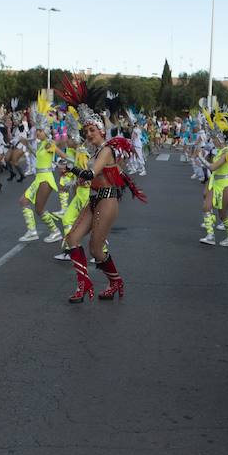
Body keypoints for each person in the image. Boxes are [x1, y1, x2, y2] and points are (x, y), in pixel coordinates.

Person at [58, 78, 144, 303]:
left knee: (96, 249)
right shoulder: (95, 153)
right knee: (72, 239)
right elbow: (86, 181)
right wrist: (69, 180)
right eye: (86, 130)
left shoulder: (106, 150)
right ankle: (83, 285)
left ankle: (115, 281)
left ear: (100, 129)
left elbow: (89, 174)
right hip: (95, 199)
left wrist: (71, 168)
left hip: (107, 201)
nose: (88, 134)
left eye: (92, 129)